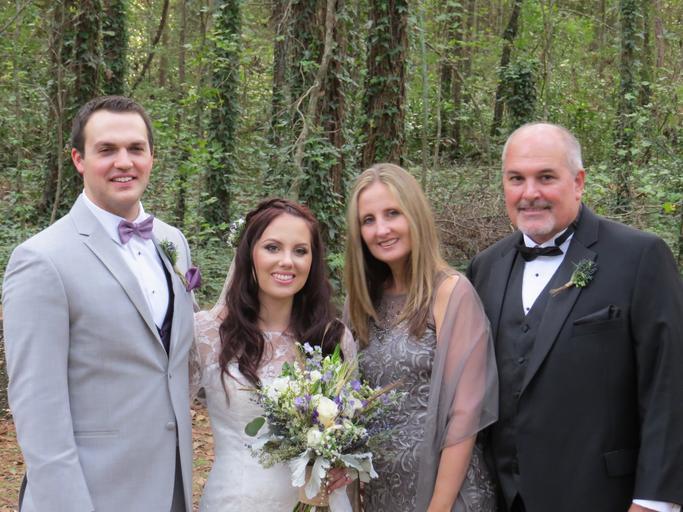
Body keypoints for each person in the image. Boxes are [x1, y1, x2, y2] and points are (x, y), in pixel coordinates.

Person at [467, 122, 683, 512]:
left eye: (545, 177)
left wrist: (654, 502)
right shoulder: (485, 267)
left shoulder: (641, 257)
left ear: (578, 182)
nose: (530, 193)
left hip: (604, 498)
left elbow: (669, 386)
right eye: (516, 179)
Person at [2, 96, 196, 512]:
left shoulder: (173, 242)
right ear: (79, 159)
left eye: (136, 148)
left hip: (172, 491)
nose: (124, 162)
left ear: (151, 157)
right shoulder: (41, 260)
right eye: (107, 149)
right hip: (92, 496)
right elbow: (38, 412)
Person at [344, 163, 499, 512]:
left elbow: (465, 415)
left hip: (446, 493)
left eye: (392, 213)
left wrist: (438, 507)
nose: (381, 229)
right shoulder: (360, 302)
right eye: (368, 220)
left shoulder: (450, 293)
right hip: (380, 493)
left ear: (414, 214)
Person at [191, 198, 358, 511]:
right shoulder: (206, 334)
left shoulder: (332, 338)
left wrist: (344, 465)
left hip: (319, 503)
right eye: (272, 248)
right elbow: (166, 421)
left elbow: (350, 434)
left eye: (300, 251)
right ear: (249, 254)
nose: (287, 261)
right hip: (237, 502)